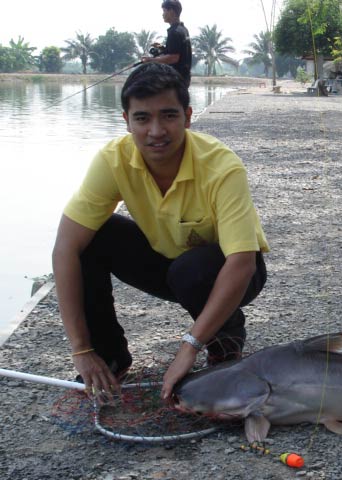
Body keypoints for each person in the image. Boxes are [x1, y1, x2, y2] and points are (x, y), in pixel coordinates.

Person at [52, 63, 269, 401]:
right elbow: (64, 248)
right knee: (92, 237)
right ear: (126, 120)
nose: (156, 131)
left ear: (188, 115)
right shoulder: (112, 161)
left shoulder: (222, 167)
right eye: (142, 118)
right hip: (166, 263)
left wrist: (189, 347)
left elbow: (242, 262)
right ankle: (109, 356)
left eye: (168, 116)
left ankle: (224, 340)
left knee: (192, 270)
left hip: (229, 272)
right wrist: (80, 349)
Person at [142, 0, 192, 86]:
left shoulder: (174, 32)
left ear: (171, 11)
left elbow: (173, 58)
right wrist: (162, 48)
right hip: (184, 78)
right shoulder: (183, 29)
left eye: (164, 11)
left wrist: (151, 60)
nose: (163, 14)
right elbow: (178, 52)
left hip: (176, 79)